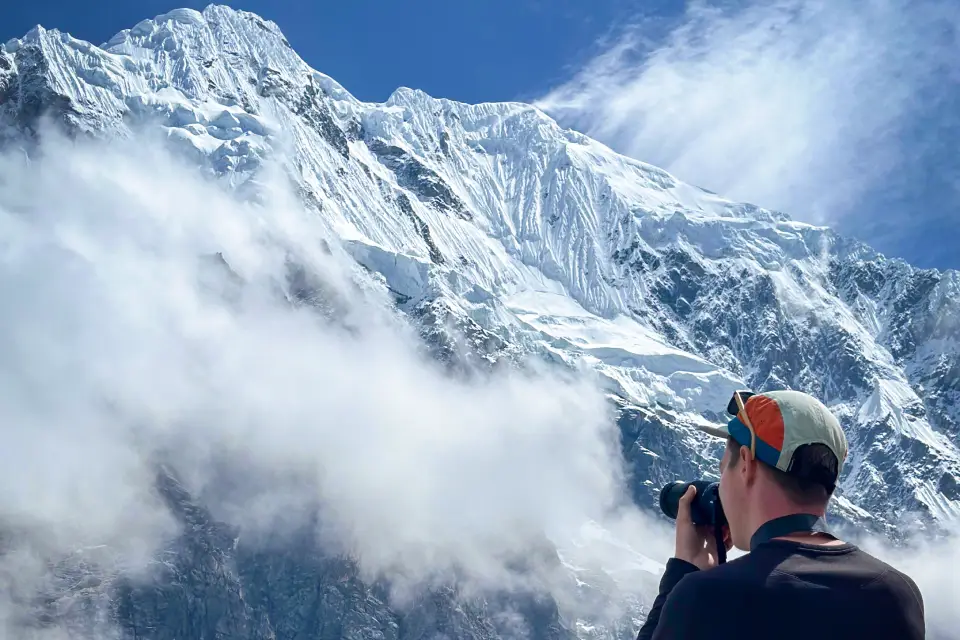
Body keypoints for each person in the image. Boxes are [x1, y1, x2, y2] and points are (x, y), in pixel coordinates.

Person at [636, 388, 925, 640]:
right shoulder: (897, 593)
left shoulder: (708, 598)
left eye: (724, 468)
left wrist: (683, 573)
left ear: (747, 463)